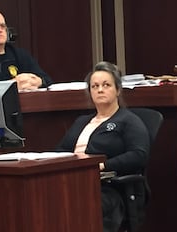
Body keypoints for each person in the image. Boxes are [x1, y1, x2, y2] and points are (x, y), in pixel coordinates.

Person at [56, 61, 150, 232]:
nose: (100, 90)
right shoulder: (81, 122)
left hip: (108, 188)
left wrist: (102, 166)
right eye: (95, 86)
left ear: (118, 90)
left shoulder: (128, 121)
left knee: (79, 206)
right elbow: (61, 151)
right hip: (74, 183)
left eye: (106, 85)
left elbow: (139, 155)